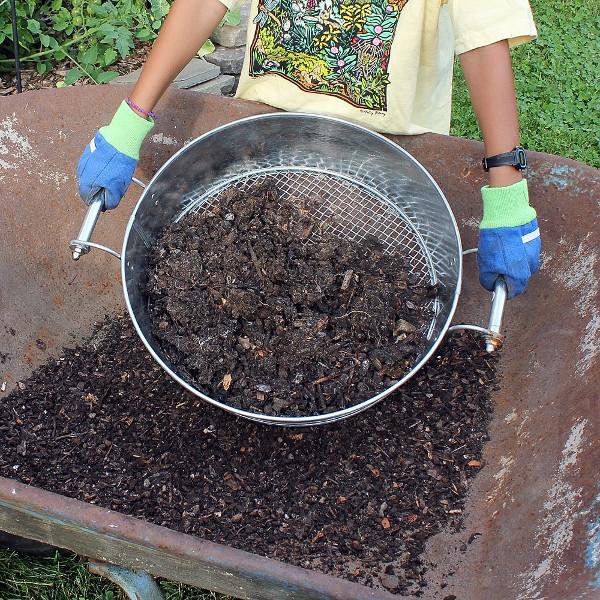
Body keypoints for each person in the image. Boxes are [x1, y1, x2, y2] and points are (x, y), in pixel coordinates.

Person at [77, 0, 540, 298]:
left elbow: (483, 41)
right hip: (259, 153)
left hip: (381, 170)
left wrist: (506, 187)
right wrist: (130, 119)